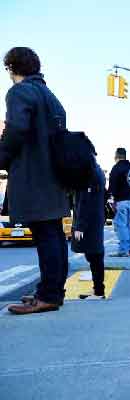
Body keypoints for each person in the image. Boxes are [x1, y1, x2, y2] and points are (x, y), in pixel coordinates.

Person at [1, 47, 70, 314]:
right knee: (52, 233)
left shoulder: (20, 92)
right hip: (54, 176)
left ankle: (49, 295)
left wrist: (2, 158)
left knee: (46, 236)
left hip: (34, 176)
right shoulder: (50, 96)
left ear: (12, 68)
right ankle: (52, 290)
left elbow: (16, 129)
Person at [72, 153, 106, 300]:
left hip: (89, 222)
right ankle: (98, 290)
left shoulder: (89, 174)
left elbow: (85, 201)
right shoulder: (97, 171)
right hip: (95, 219)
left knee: (94, 255)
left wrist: (80, 226)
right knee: (94, 255)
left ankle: (98, 292)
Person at [108, 147, 130, 257]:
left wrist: (112, 200)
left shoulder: (117, 168)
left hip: (122, 200)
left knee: (120, 225)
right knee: (127, 225)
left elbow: (112, 186)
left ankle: (123, 250)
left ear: (117, 156)